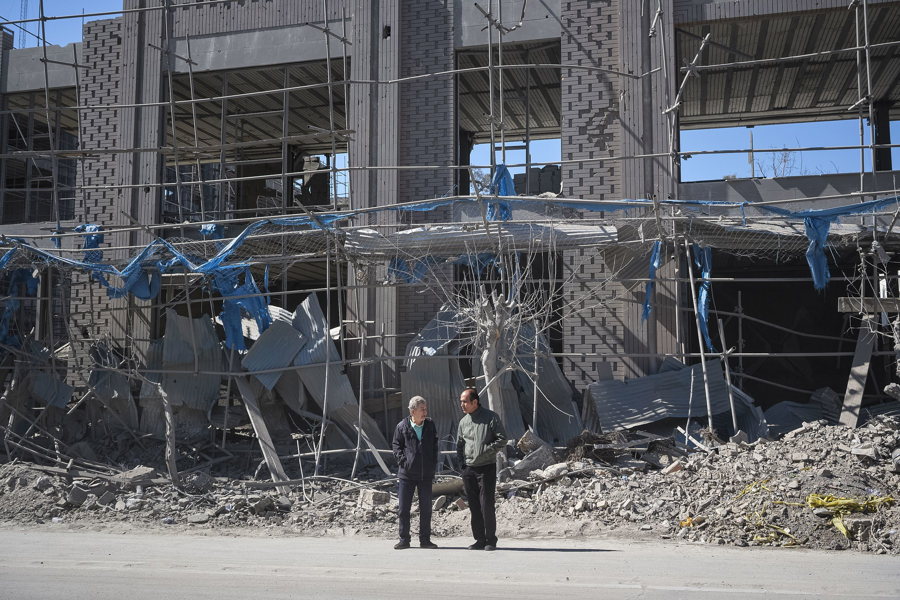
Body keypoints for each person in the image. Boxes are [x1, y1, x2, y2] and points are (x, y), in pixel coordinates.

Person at [456, 387, 507, 551]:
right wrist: (462, 465)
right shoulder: (463, 422)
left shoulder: (491, 418)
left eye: (465, 401)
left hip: (486, 468)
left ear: (475, 402)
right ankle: (479, 539)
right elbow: (459, 445)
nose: (462, 405)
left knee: (486, 504)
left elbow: (502, 439)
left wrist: (486, 451)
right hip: (469, 470)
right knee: (474, 505)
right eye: (461, 402)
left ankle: (490, 539)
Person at [391, 395, 439, 549]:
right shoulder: (402, 426)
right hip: (407, 475)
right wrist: (404, 462)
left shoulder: (430, 425)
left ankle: (425, 540)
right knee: (404, 509)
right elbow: (396, 446)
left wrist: (432, 464)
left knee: (426, 509)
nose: (425, 412)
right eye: (422, 409)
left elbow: (434, 446)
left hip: (425, 475)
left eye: (425, 409)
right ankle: (404, 539)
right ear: (413, 411)